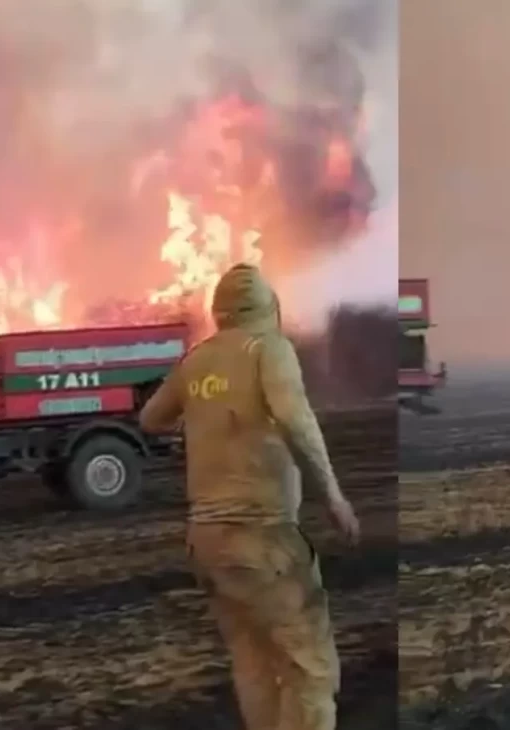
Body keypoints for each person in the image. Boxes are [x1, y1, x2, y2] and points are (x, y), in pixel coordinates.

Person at [140, 263, 361, 730]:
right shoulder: (269, 350)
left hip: (209, 543)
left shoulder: (196, 360)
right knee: (310, 669)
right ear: (266, 307)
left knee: (253, 661)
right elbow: (296, 421)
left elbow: (151, 419)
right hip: (262, 535)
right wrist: (334, 497)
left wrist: (207, 412)